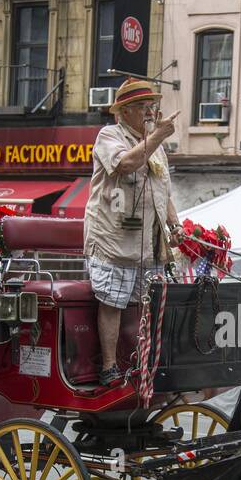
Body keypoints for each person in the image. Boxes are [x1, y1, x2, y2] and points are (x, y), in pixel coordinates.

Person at [83, 78, 183, 385]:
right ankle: (109, 367)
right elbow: (126, 164)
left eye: (151, 106)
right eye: (142, 107)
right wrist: (158, 137)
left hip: (147, 242)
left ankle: (139, 361)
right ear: (123, 112)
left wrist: (174, 224)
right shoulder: (109, 135)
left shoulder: (155, 145)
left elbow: (163, 190)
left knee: (144, 303)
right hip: (113, 238)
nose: (149, 112)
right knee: (112, 301)